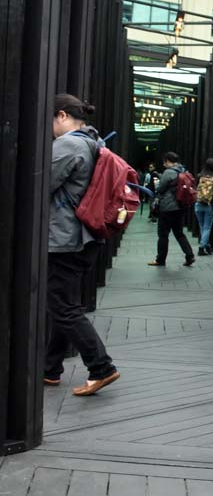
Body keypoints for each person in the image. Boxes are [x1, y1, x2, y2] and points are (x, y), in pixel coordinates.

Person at [46, 94, 120, 396]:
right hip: (86, 238)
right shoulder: (95, 142)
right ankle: (49, 368)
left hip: (66, 239)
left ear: (62, 115)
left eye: (50, 120)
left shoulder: (68, 145)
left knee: (63, 307)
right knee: (63, 304)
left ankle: (101, 366)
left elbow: (40, 183)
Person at [149, 151, 195, 267]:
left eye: (164, 162)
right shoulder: (184, 171)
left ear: (168, 161)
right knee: (179, 233)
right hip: (180, 206)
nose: (164, 165)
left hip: (168, 208)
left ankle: (160, 259)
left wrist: (159, 182)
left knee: (163, 235)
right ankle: (189, 255)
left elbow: (160, 188)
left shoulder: (168, 172)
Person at [194, 157, 213, 256]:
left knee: (202, 226)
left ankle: (207, 246)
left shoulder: (199, 176)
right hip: (209, 205)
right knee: (207, 227)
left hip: (198, 204)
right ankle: (202, 247)